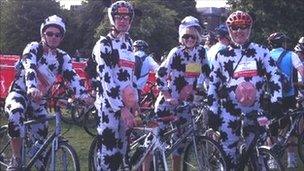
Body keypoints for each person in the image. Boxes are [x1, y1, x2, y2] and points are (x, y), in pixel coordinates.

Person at [4, 15, 90, 171]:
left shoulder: (63, 57)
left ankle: (36, 161)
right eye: (49, 33)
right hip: (20, 93)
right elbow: (29, 66)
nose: (53, 37)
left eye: (57, 34)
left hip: (39, 100)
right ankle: (15, 159)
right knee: (16, 113)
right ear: (43, 34)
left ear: (61, 37)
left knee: (41, 142)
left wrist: (84, 96)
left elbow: (71, 76)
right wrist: (31, 87)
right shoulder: (33, 48)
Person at [207, 11, 283, 169]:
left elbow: (275, 76)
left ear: (250, 28)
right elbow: (213, 84)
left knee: (258, 154)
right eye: (235, 27)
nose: (239, 31)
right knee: (229, 153)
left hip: (256, 110)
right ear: (229, 30)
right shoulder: (221, 55)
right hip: (230, 112)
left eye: (244, 26)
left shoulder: (261, 51)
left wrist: (277, 100)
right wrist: (213, 110)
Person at [142, 16, 210, 171]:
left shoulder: (201, 52)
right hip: (168, 103)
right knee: (154, 141)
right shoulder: (176, 53)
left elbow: (206, 73)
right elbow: (161, 74)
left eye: (193, 35)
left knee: (180, 144)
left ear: (198, 36)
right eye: (186, 36)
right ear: (181, 36)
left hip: (187, 105)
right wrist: (167, 96)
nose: (189, 39)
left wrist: (202, 89)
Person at [91, 1, 139, 170]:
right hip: (109, 106)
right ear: (113, 19)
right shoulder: (104, 44)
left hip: (126, 105)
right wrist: (121, 109)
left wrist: (134, 103)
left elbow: (130, 77)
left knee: (123, 152)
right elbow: (106, 78)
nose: (123, 21)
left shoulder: (129, 42)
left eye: (126, 17)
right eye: (119, 17)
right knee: (109, 154)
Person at [267, 32, 304, 168]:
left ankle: (273, 160)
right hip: (289, 96)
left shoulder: (266, 54)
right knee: (291, 128)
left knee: (272, 129)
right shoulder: (291, 55)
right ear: (284, 43)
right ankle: (291, 160)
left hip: (271, 96)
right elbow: (301, 70)